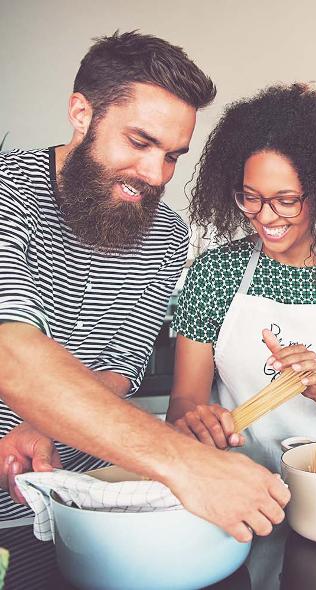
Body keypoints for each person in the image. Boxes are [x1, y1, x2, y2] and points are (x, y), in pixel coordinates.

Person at [0, 31, 289, 543]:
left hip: (89, 500)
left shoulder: (166, 233)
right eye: (140, 142)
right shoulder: (8, 190)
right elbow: (10, 351)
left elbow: (118, 367)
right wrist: (190, 465)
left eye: (173, 155)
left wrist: (53, 419)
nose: (156, 175)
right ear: (81, 113)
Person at [166, 83, 316, 471]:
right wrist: (198, 423)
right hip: (239, 475)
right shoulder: (215, 272)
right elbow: (184, 401)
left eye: (286, 200)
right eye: (250, 196)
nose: (265, 216)